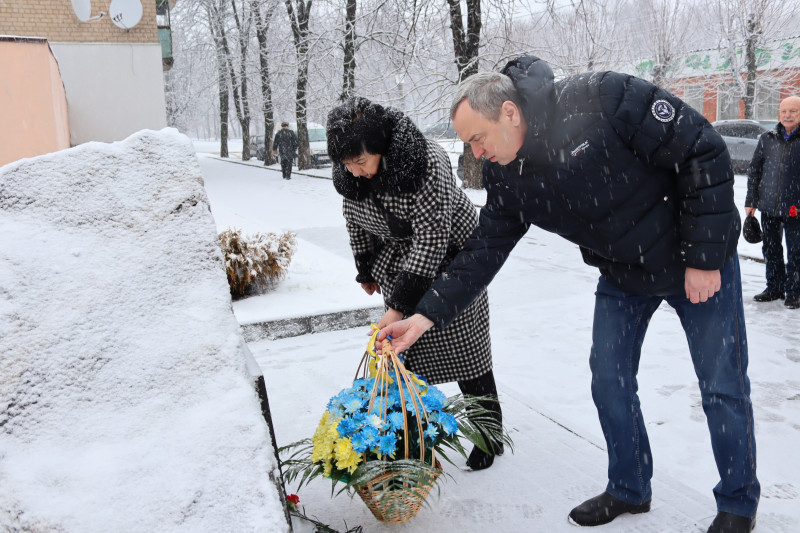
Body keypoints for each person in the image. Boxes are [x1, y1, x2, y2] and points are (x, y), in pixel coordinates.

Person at [378, 57, 759, 533]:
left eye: (478, 139)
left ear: (510, 114)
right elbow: (482, 251)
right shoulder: (506, 173)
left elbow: (703, 148)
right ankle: (629, 486)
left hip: (696, 260)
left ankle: (739, 503)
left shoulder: (603, 98)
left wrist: (703, 259)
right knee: (609, 380)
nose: (475, 154)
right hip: (624, 273)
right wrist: (423, 316)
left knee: (721, 385)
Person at [326, 96, 502, 470]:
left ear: (381, 146)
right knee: (408, 357)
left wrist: (398, 306)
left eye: (360, 162)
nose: (354, 172)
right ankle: (411, 435)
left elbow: (431, 239)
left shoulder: (425, 164)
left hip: (454, 259)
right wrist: (366, 268)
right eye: (347, 164)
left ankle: (490, 433)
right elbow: (354, 218)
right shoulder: (352, 173)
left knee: (467, 353)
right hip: (401, 263)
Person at [745, 95, 800, 309]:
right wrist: (751, 201)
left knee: (796, 251)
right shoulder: (766, 138)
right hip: (768, 206)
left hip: (796, 207)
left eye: (793, 111)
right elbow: (755, 171)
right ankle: (775, 288)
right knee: (771, 248)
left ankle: (795, 291)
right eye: (784, 111)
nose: (787, 115)